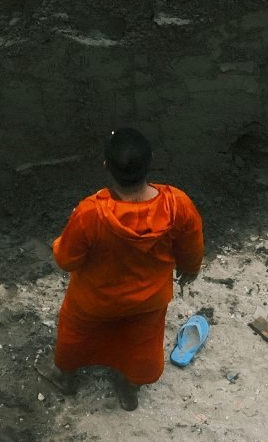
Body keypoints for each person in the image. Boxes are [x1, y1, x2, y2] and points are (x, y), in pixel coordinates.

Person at [46, 128, 204, 411]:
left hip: (94, 301)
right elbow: (192, 246)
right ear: (150, 162)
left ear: (106, 166)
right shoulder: (177, 204)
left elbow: (66, 260)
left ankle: (64, 378)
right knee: (142, 344)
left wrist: (59, 243)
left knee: (75, 334)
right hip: (148, 302)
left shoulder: (90, 213)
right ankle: (130, 389)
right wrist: (190, 269)